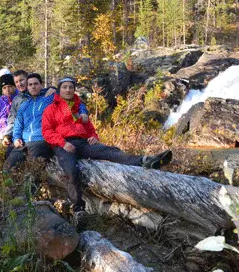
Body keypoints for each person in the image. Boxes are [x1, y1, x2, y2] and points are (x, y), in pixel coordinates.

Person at [42, 76, 172, 214]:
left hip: (83, 143)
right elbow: (47, 131)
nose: (68, 90)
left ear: (74, 90)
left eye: (70, 87)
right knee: (71, 172)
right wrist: (63, 143)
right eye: (64, 87)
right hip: (63, 145)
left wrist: (93, 137)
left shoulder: (79, 107)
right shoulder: (51, 109)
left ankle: (146, 160)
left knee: (110, 151)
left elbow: (90, 128)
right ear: (59, 90)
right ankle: (78, 209)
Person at [6, 73, 84, 170]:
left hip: (41, 140)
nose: (33, 87)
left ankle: (33, 183)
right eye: (30, 85)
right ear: (27, 86)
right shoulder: (24, 105)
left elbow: (73, 100)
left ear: (41, 85)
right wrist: (16, 138)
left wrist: (83, 113)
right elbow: (18, 124)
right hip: (24, 141)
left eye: (36, 84)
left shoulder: (49, 98)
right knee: (7, 167)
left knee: (32, 169)